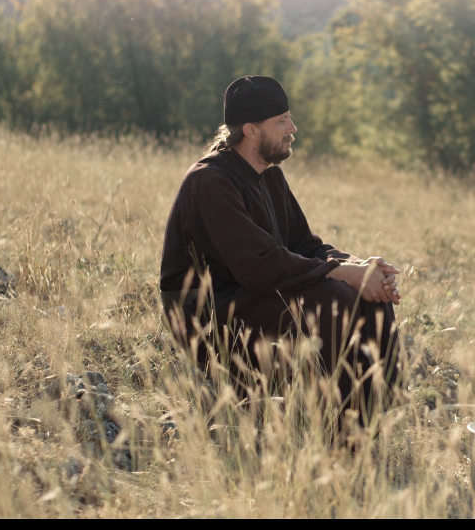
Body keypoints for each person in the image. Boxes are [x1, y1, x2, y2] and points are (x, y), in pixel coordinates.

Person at [159, 75, 402, 428]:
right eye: (282, 121)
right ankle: (333, 429)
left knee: (369, 295)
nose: (293, 128)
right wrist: (344, 274)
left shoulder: (269, 176)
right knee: (335, 297)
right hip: (207, 316)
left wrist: (361, 267)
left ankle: (368, 421)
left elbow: (306, 246)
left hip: (252, 296)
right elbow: (258, 264)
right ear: (251, 130)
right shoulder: (209, 181)